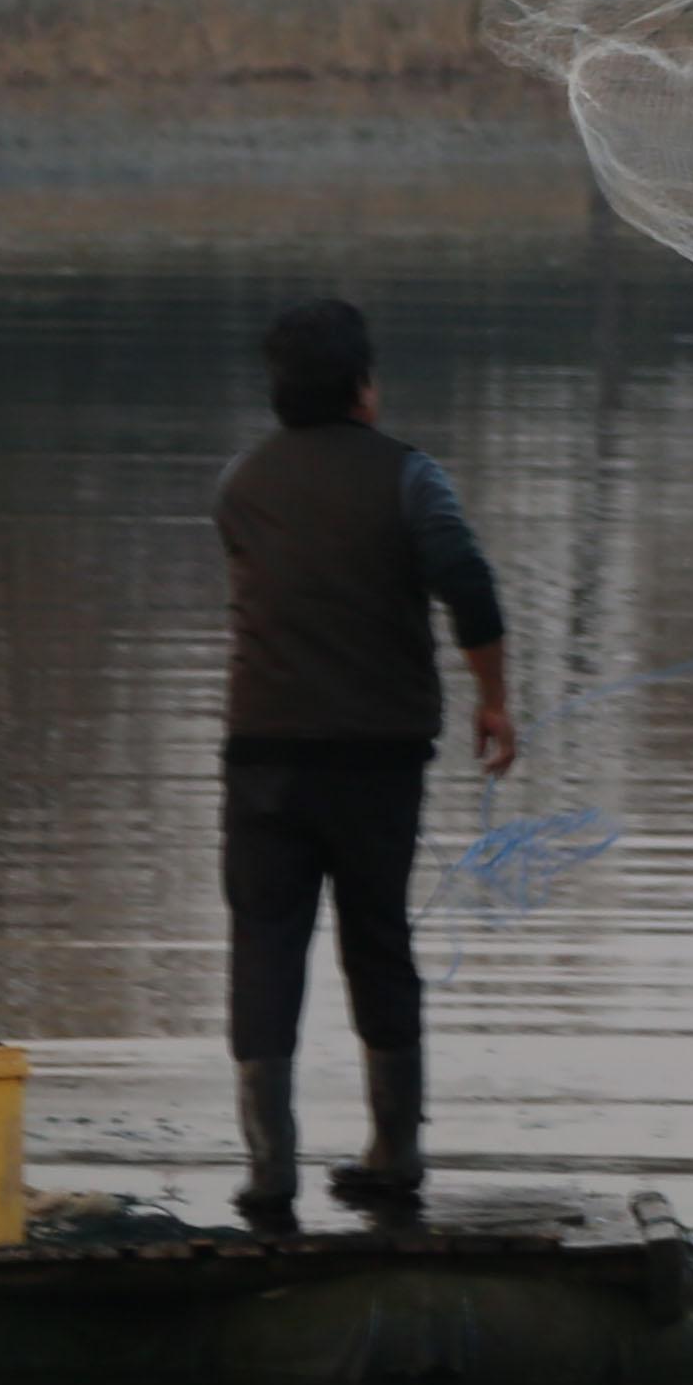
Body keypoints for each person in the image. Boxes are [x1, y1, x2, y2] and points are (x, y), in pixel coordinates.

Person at [215, 298, 513, 1227]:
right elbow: (467, 585)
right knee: (376, 938)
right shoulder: (409, 480)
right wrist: (494, 700)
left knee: (265, 945)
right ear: (364, 390)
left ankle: (268, 1172)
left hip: (261, 758)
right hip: (378, 762)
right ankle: (395, 1152)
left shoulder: (240, 487)